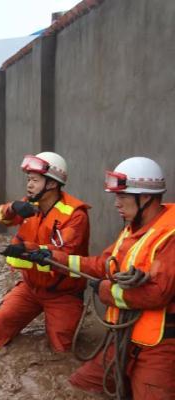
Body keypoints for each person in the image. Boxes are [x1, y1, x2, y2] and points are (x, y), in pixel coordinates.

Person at [28, 157, 175, 398]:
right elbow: (102, 264)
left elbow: (157, 293)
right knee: (77, 387)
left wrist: (105, 290)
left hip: (157, 349)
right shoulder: (133, 229)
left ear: (145, 197)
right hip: (122, 341)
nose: (116, 203)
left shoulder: (170, 236)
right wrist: (52, 257)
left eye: (122, 197)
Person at [0, 152, 90, 355]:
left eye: (35, 180)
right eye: (28, 180)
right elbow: (3, 218)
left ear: (52, 184)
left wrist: (25, 249)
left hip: (63, 294)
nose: (29, 185)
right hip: (30, 288)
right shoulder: (30, 203)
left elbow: (61, 254)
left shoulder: (75, 216)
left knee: (62, 351)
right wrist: (12, 208)